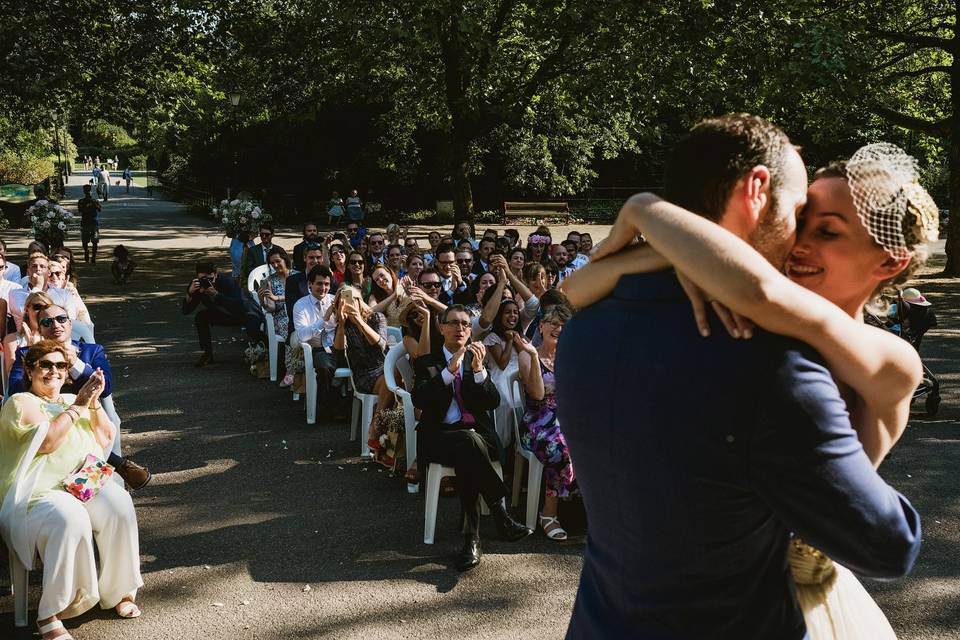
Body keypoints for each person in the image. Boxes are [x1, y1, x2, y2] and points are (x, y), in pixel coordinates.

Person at [556, 115, 922, 638]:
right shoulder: (771, 363)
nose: (799, 242)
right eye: (801, 213)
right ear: (757, 190)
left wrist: (647, 212)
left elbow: (762, 295)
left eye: (827, 230)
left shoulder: (588, 327)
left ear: (888, 262)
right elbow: (889, 543)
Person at [0, 341, 143, 640]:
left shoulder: (71, 399)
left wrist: (92, 402)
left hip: (81, 482)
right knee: (70, 517)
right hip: (37, 492)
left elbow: (105, 438)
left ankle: (119, 591)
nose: (54, 371)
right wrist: (79, 403)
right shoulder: (20, 402)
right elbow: (48, 442)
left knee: (119, 504)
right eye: (45, 365)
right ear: (29, 370)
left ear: (68, 373)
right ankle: (52, 611)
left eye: (60, 366)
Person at [411, 305, 532, 571]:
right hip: (439, 438)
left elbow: (492, 401)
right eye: (453, 323)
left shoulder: (475, 359)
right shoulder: (427, 363)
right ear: (441, 328)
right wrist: (446, 373)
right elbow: (419, 399)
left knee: (469, 447)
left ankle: (473, 538)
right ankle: (499, 515)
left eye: (466, 324)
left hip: (477, 437)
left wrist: (478, 372)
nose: (460, 328)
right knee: (467, 442)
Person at [516, 305, 575, 541]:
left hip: (568, 417)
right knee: (560, 449)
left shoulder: (571, 357)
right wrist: (531, 354)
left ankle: (588, 511)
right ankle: (548, 513)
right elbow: (538, 394)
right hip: (538, 421)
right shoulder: (527, 354)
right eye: (553, 323)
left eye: (563, 325)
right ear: (541, 325)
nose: (558, 328)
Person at [332, 287, 393, 454]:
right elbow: (337, 356)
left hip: (382, 367)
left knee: (394, 377)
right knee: (391, 380)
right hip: (363, 375)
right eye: (344, 300)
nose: (352, 303)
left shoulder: (376, 318)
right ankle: (376, 428)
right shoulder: (343, 325)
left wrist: (359, 321)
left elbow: (381, 346)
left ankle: (387, 439)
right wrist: (342, 326)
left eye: (356, 299)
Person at [181, 261, 251, 367]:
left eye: (208, 279)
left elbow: (240, 306)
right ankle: (207, 354)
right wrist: (190, 293)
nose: (205, 282)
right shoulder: (198, 285)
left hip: (238, 315)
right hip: (220, 314)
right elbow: (186, 311)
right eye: (202, 279)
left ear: (216, 274)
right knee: (201, 317)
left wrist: (217, 295)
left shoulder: (227, 282)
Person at [292, 265, 340, 416]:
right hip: (316, 348)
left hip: (337, 346)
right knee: (324, 366)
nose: (323, 288)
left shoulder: (334, 300)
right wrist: (324, 318)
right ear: (310, 284)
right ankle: (330, 408)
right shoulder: (301, 305)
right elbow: (302, 336)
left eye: (326, 284)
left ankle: (346, 403)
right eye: (319, 283)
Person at [481, 298, 523, 446]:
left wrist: (517, 340)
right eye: (507, 312)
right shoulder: (493, 338)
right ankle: (504, 444)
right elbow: (502, 364)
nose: (512, 316)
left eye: (515, 312)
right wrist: (510, 341)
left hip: (520, 375)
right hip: (501, 377)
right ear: (500, 316)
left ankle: (520, 441)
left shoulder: (520, 336)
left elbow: (525, 356)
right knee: (506, 402)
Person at [258, 247, 297, 385]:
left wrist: (278, 297)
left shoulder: (297, 276)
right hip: (281, 316)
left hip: (298, 313)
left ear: (285, 259)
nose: (275, 265)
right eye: (272, 263)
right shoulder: (269, 281)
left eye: (278, 261)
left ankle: (304, 369)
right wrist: (263, 300)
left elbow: (302, 297)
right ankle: (291, 371)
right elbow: (272, 307)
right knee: (289, 330)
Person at [78, 184, 102, 264]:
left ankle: (94, 257)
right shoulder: (81, 201)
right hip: (85, 223)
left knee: (95, 241)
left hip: (94, 223)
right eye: (86, 191)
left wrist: (94, 204)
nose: (88, 193)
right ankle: (86, 251)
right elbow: (80, 210)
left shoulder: (95, 201)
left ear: (91, 192)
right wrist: (87, 205)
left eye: (89, 191)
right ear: (84, 192)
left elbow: (99, 209)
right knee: (85, 241)